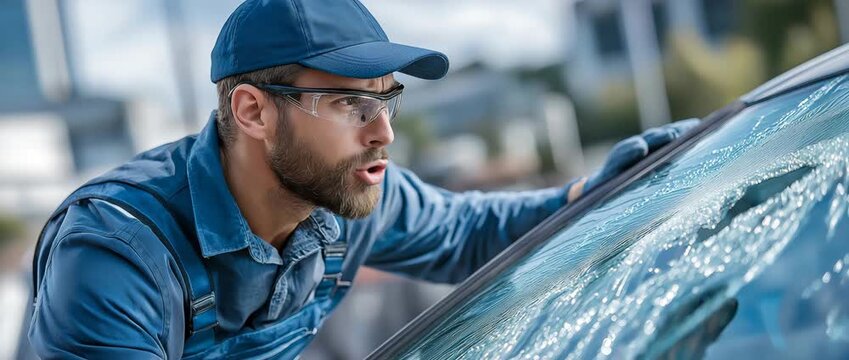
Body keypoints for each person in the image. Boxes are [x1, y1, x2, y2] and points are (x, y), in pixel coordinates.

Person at [26, 0, 699, 358]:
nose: (384, 132)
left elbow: (473, 233)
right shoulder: (118, 254)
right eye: (351, 104)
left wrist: (596, 193)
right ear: (252, 110)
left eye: (386, 100)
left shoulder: (347, 196)